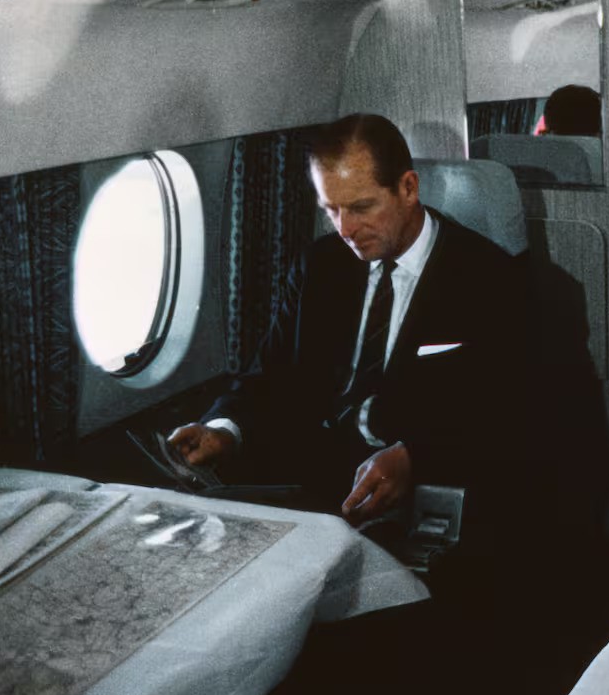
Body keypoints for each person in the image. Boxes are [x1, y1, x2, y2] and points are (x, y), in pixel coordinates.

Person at [167, 113, 531, 527]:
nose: (345, 229)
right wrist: (225, 428)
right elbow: (267, 374)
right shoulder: (318, 266)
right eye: (331, 210)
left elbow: (508, 412)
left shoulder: (489, 278)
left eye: (361, 207)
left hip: (420, 487)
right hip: (308, 477)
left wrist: (415, 456)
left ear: (408, 188)